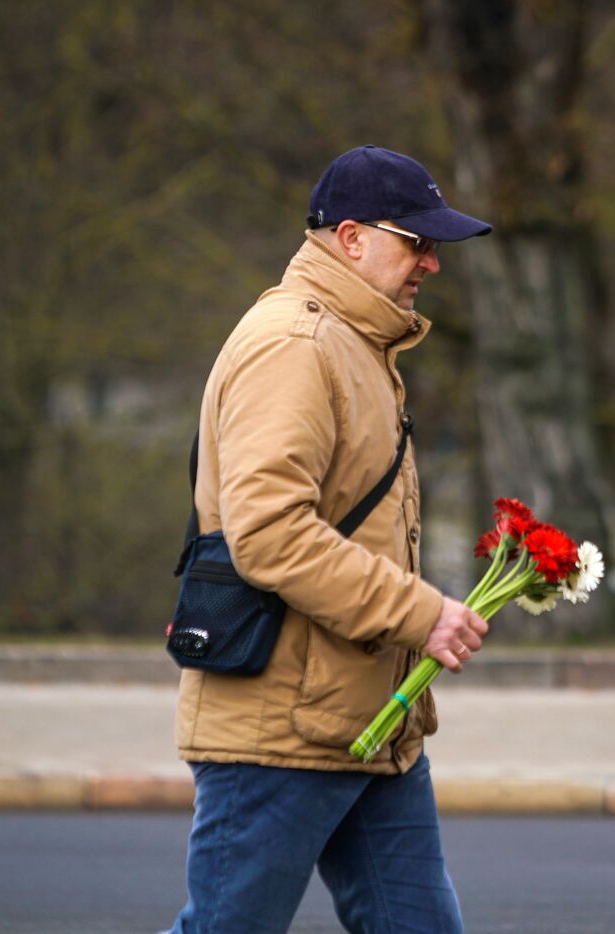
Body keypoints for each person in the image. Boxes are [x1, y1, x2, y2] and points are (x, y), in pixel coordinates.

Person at [166, 145, 492, 934]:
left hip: (366, 723)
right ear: (350, 238)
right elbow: (269, 533)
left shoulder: (355, 343)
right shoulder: (298, 346)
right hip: (280, 728)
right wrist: (420, 612)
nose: (432, 263)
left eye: (435, 245)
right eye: (416, 241)